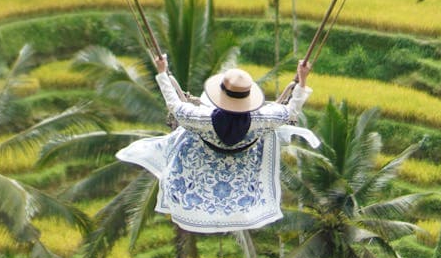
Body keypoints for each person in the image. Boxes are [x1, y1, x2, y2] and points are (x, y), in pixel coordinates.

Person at [116, 56, 317, 233]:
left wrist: (162, 72)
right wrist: (302, 78)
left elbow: (175, 105)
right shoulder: (262, 119)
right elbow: (291, 111)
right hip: (242, 171)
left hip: (202, 165)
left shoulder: (199, 119)